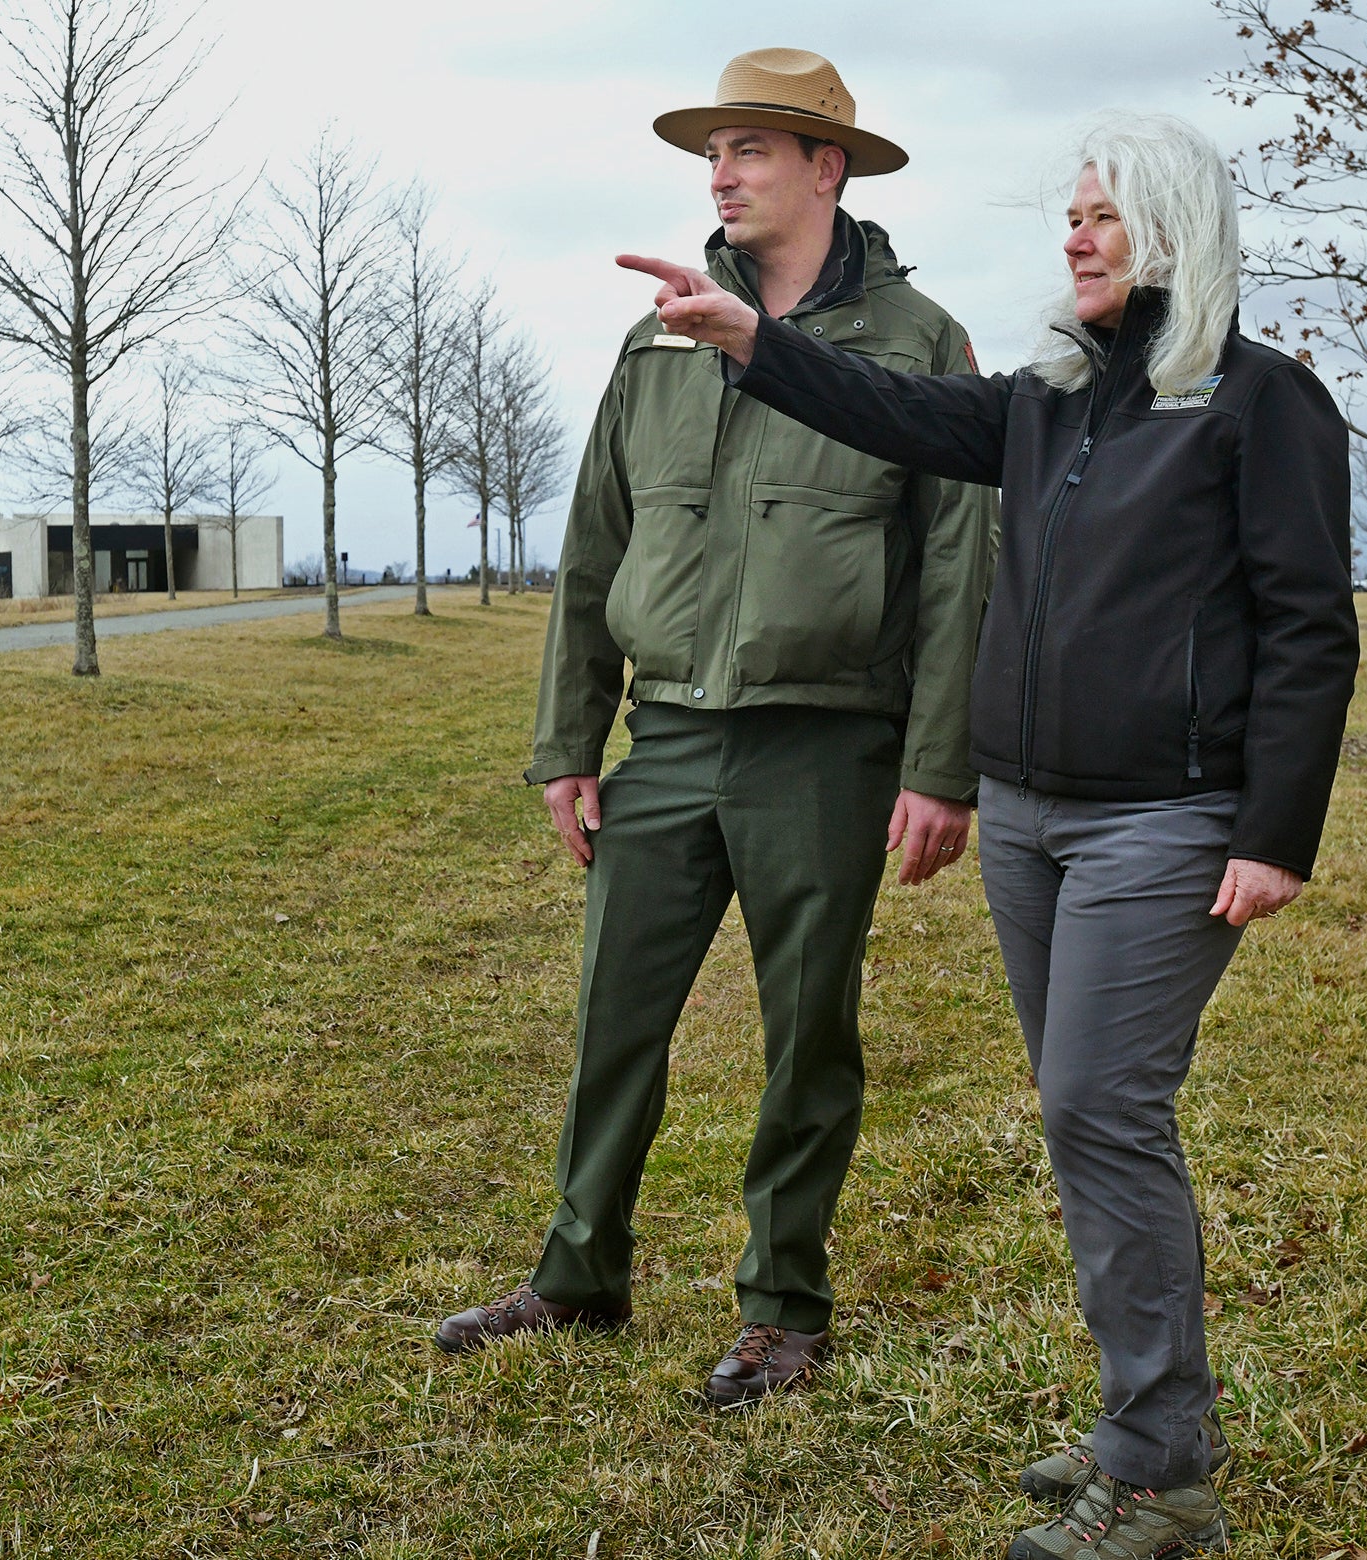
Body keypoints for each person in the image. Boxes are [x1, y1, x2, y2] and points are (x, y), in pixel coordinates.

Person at [623, 111, 1360, 1556]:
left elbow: (1309, 629)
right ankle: (1141, 1428)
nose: (1075, 234)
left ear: (1172, 233)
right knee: (1086, 1121)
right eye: (1071, 215)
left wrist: (1277, 831)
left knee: (1102, 1110)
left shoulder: (1262, 404)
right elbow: (897, 414)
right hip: (1028, 817)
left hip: (1164, 818)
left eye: (1103, 215)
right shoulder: (1049, 400)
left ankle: (1161, 1482)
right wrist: (749, 342)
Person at [432, 48, 998, 1411]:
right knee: (614, 1018)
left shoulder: (921, 347)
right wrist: (572, 742)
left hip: (827, 745)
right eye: (712, 152)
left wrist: (937, 769)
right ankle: (578, 1274)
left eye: (752, 147)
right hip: (669, 740)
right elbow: (592, 551)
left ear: (828, 167)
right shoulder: (657, 341)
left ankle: (784, 1308)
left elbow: (957, 573)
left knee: (808, 1035)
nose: (722, 173)